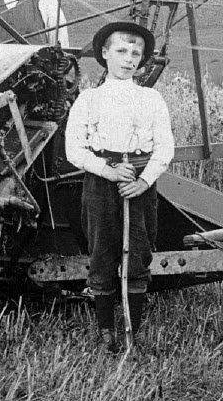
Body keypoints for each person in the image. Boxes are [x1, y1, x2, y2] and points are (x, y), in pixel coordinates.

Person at [63, 21, 173, 352]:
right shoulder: (88, 99)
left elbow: (164, 147)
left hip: (139, 186)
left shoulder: (151, 98)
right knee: (102, 253)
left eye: (136, 53)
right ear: (105, 54)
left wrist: (142, 181)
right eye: (121, 51)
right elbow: (75, 150)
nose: (128, 59)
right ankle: (105, 331)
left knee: (138, 253)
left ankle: (132, 330)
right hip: (101, 185)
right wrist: (109, 172)